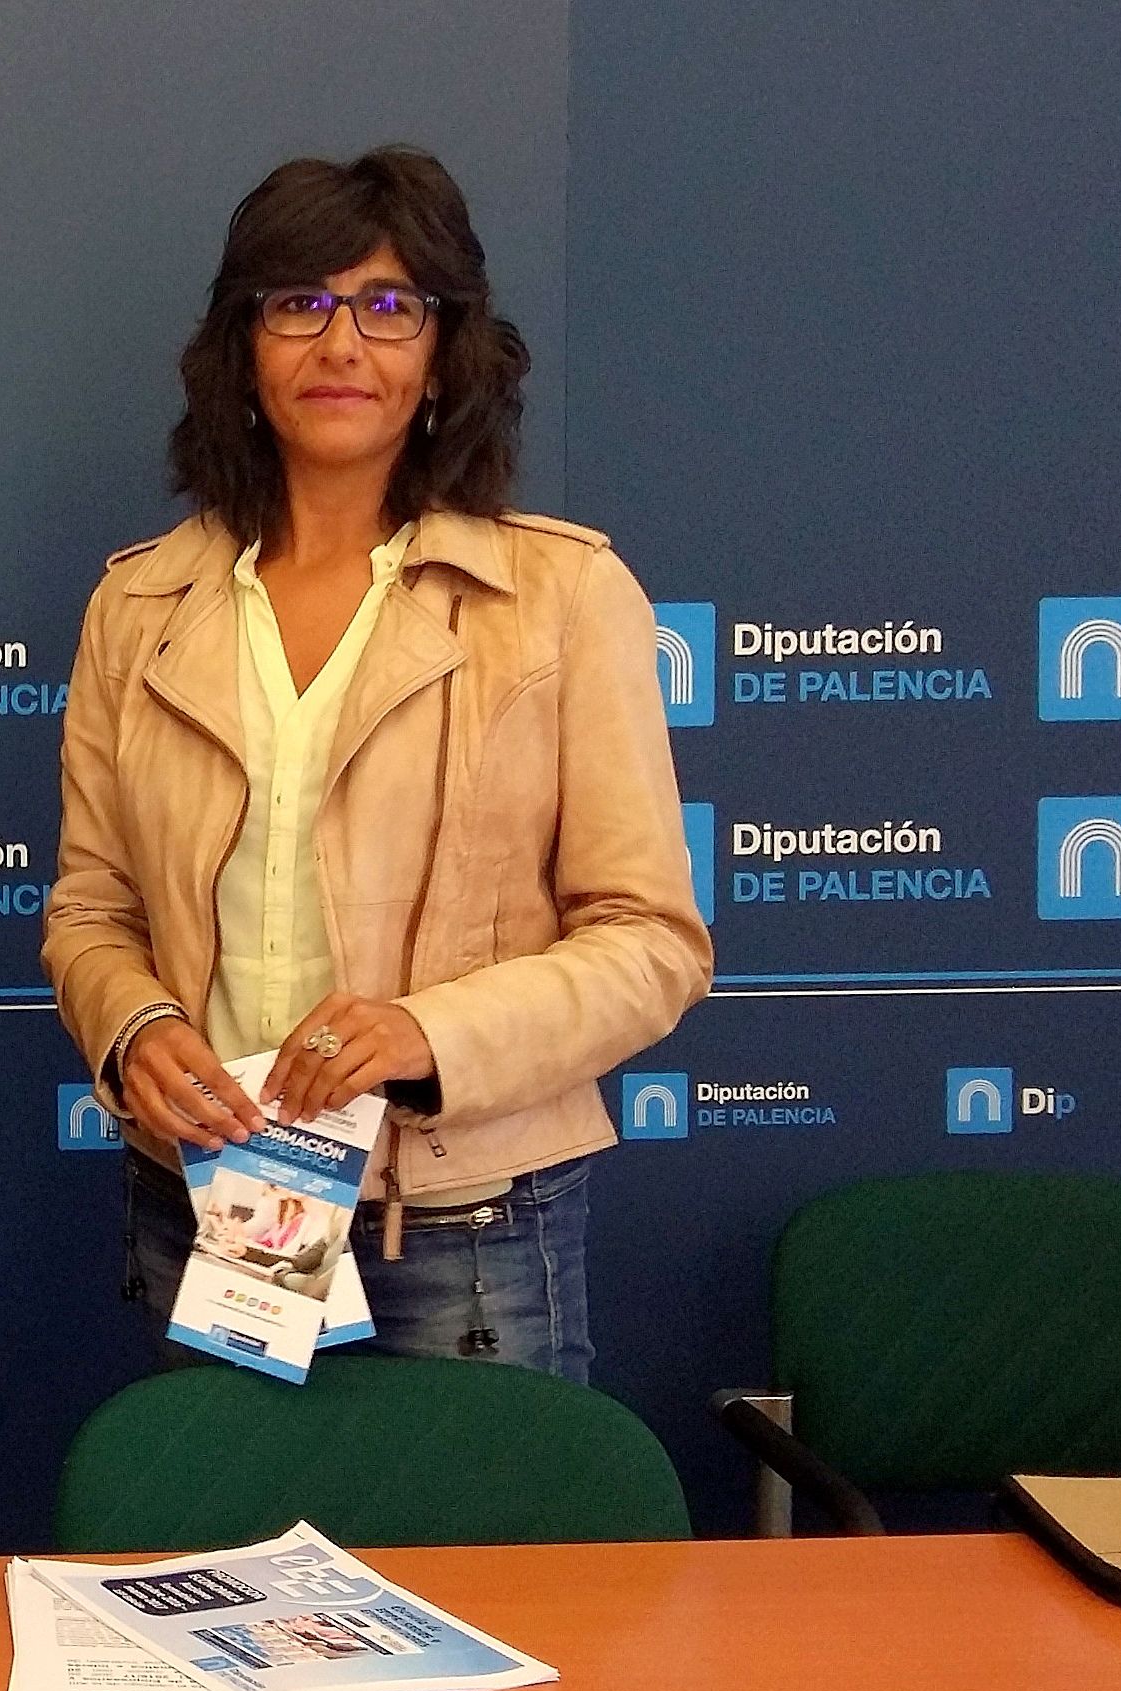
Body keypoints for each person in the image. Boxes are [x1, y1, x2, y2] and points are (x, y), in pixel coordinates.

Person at [42, 148, 708, 1384]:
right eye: (298, 303)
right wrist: (132, 1025)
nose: (340, 342)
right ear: (241, 348)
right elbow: (91, 907)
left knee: (474, 1527)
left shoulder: (559, 597)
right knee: (216, 1517)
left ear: (442, 353)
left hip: (464, 1228)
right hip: (212, 1205)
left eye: (387, 306)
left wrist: (421, 1031)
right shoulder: (137, 606)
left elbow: (650, 941)